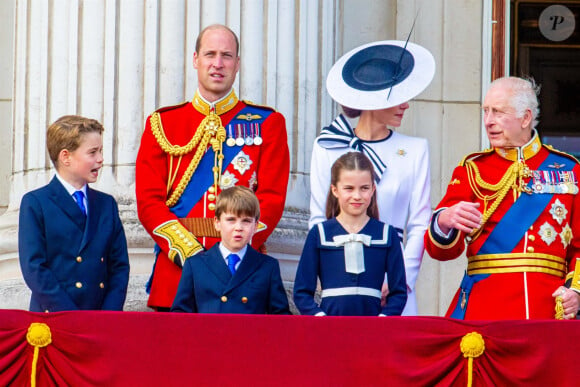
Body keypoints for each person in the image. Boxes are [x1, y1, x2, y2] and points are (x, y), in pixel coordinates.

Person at [136, 24, 290, 310]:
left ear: (238, 64)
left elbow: (272, 200)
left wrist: (232, 251)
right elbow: (149, 202)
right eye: (210, 54)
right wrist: (193, 255)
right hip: (178, 272)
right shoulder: (163, 124)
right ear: (196, 59)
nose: (218, 64)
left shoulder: (268, 123)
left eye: (227, 56)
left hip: (241, 273)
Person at [425, 76, 580, 320]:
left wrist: (575, 291)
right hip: (485, 308)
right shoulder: (472, 169)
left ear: (525, 117)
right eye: (485, 111)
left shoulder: (568, 170)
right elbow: (441, 251)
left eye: (497, 112)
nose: (488, 121)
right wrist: (444, 220)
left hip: (547, 310)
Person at [309, 40, 435, 315]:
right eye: (398, 96)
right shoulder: (328, 146)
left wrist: (399, 279)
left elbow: (419, 223)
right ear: (373, 99)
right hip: (340, 284)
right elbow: (318, 218)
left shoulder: (415, 150)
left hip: (393, 279)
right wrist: (332, 277)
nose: (406, 105)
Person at [18, 115, 130, 312]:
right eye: (93, 152)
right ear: (66, 157)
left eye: (101, 151)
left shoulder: (106, 205)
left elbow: (119, 267)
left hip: (99, 320)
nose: (101, 159)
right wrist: (70, 317)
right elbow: (34, 268)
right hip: (55, 317)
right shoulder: (36, 203)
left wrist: (108, 316)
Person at [294, 152, 407, 316]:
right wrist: (320, 318)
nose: (357, 196)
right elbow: (302, 292)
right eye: (349, 188)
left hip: (373, 330)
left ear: (373, 189)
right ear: (335, 190)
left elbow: (399, 292)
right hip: (329, 330)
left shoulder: (387, 234)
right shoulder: (319, 234)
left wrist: (383, 320)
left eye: (364, 188)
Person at [171, 186, 290, 314]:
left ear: (255, 226)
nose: (238, 227)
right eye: (231, 220)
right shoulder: (195, 265)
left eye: (246, 221)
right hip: (208, 333)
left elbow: (281, 318)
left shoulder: (267, 267)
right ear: (217, 223)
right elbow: (180, 316)